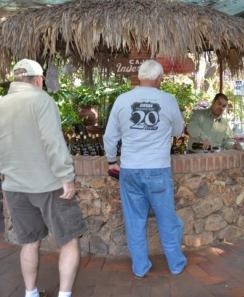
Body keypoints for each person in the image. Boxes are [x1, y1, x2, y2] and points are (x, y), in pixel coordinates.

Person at [0, 59, 86, 297]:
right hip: (49, 186)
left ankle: (30, 293)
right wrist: (66, 176)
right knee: (69, 241)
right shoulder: (41, 100)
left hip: (15, 187)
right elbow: (53, 143)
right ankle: (64, 294)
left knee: (29, 242)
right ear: (38, 80)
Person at [104, 60, 187, 278]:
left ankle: (140, 268)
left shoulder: (122, 100)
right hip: (158, 169)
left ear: (140, 77)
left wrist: (112, 161)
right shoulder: (168, 100)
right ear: (159, 78)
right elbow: (178, 130)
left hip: (130, 170)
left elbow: (110, 137)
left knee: (135, 221)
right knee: (167, 219)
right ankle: (176, 264)